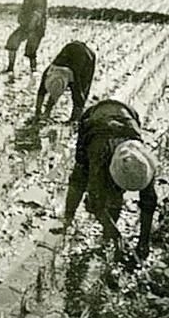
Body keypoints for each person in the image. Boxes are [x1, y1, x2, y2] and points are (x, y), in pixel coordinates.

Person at [64, 99, 158, 260]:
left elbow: (149, 203)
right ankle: (68, 217)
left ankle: (106, 237)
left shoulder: (143, 163)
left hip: (128, 116)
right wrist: (115, 233)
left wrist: (144, 242)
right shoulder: (98, 152)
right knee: (81, 174)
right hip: (95, 122)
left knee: (115, 197)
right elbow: (94, 201)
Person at [35, 41, 95, 122]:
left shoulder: (74, 76)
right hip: (69, 50)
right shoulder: (49, 72)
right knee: (56, 87)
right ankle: (47, 112)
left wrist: (74, 119)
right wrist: (37, 112)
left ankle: (75, 119)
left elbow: (79, 98)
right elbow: (41, 92)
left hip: (87, 58)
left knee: (82, 91)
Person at [5, 0, 48, 73]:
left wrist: (32, 24)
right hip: (28, 23)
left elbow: (39, 9)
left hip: (36, 25)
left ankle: (33, 71)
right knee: (13, 42)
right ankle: (11, 69)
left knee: (30, 50)